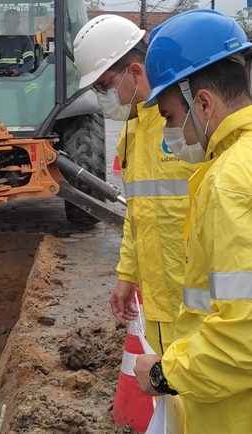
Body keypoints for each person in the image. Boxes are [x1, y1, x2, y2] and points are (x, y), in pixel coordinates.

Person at [133, 10, 252, 434]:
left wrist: (165, 373)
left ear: (202, 102)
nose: (170, 132)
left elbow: (244, 335)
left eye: (168, 117)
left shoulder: (228, 182)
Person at [73, 15, 197, 356]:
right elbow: (137, 216)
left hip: (202, 308)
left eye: (105, 85)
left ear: (135, 72)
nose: (103, 96)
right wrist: (127, 275)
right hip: (160, 306)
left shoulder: (188, 124)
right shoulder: (132, 132)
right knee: (171, 399)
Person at [0, 9, 35, 77]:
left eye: (13, 22)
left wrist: (19, 71)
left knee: (33, 85)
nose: (11, 24)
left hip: (22, 79)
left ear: (18, 23)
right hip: (0, 78)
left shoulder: (25, 40)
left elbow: (29, 62)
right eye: (8, 22)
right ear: (4, 23)